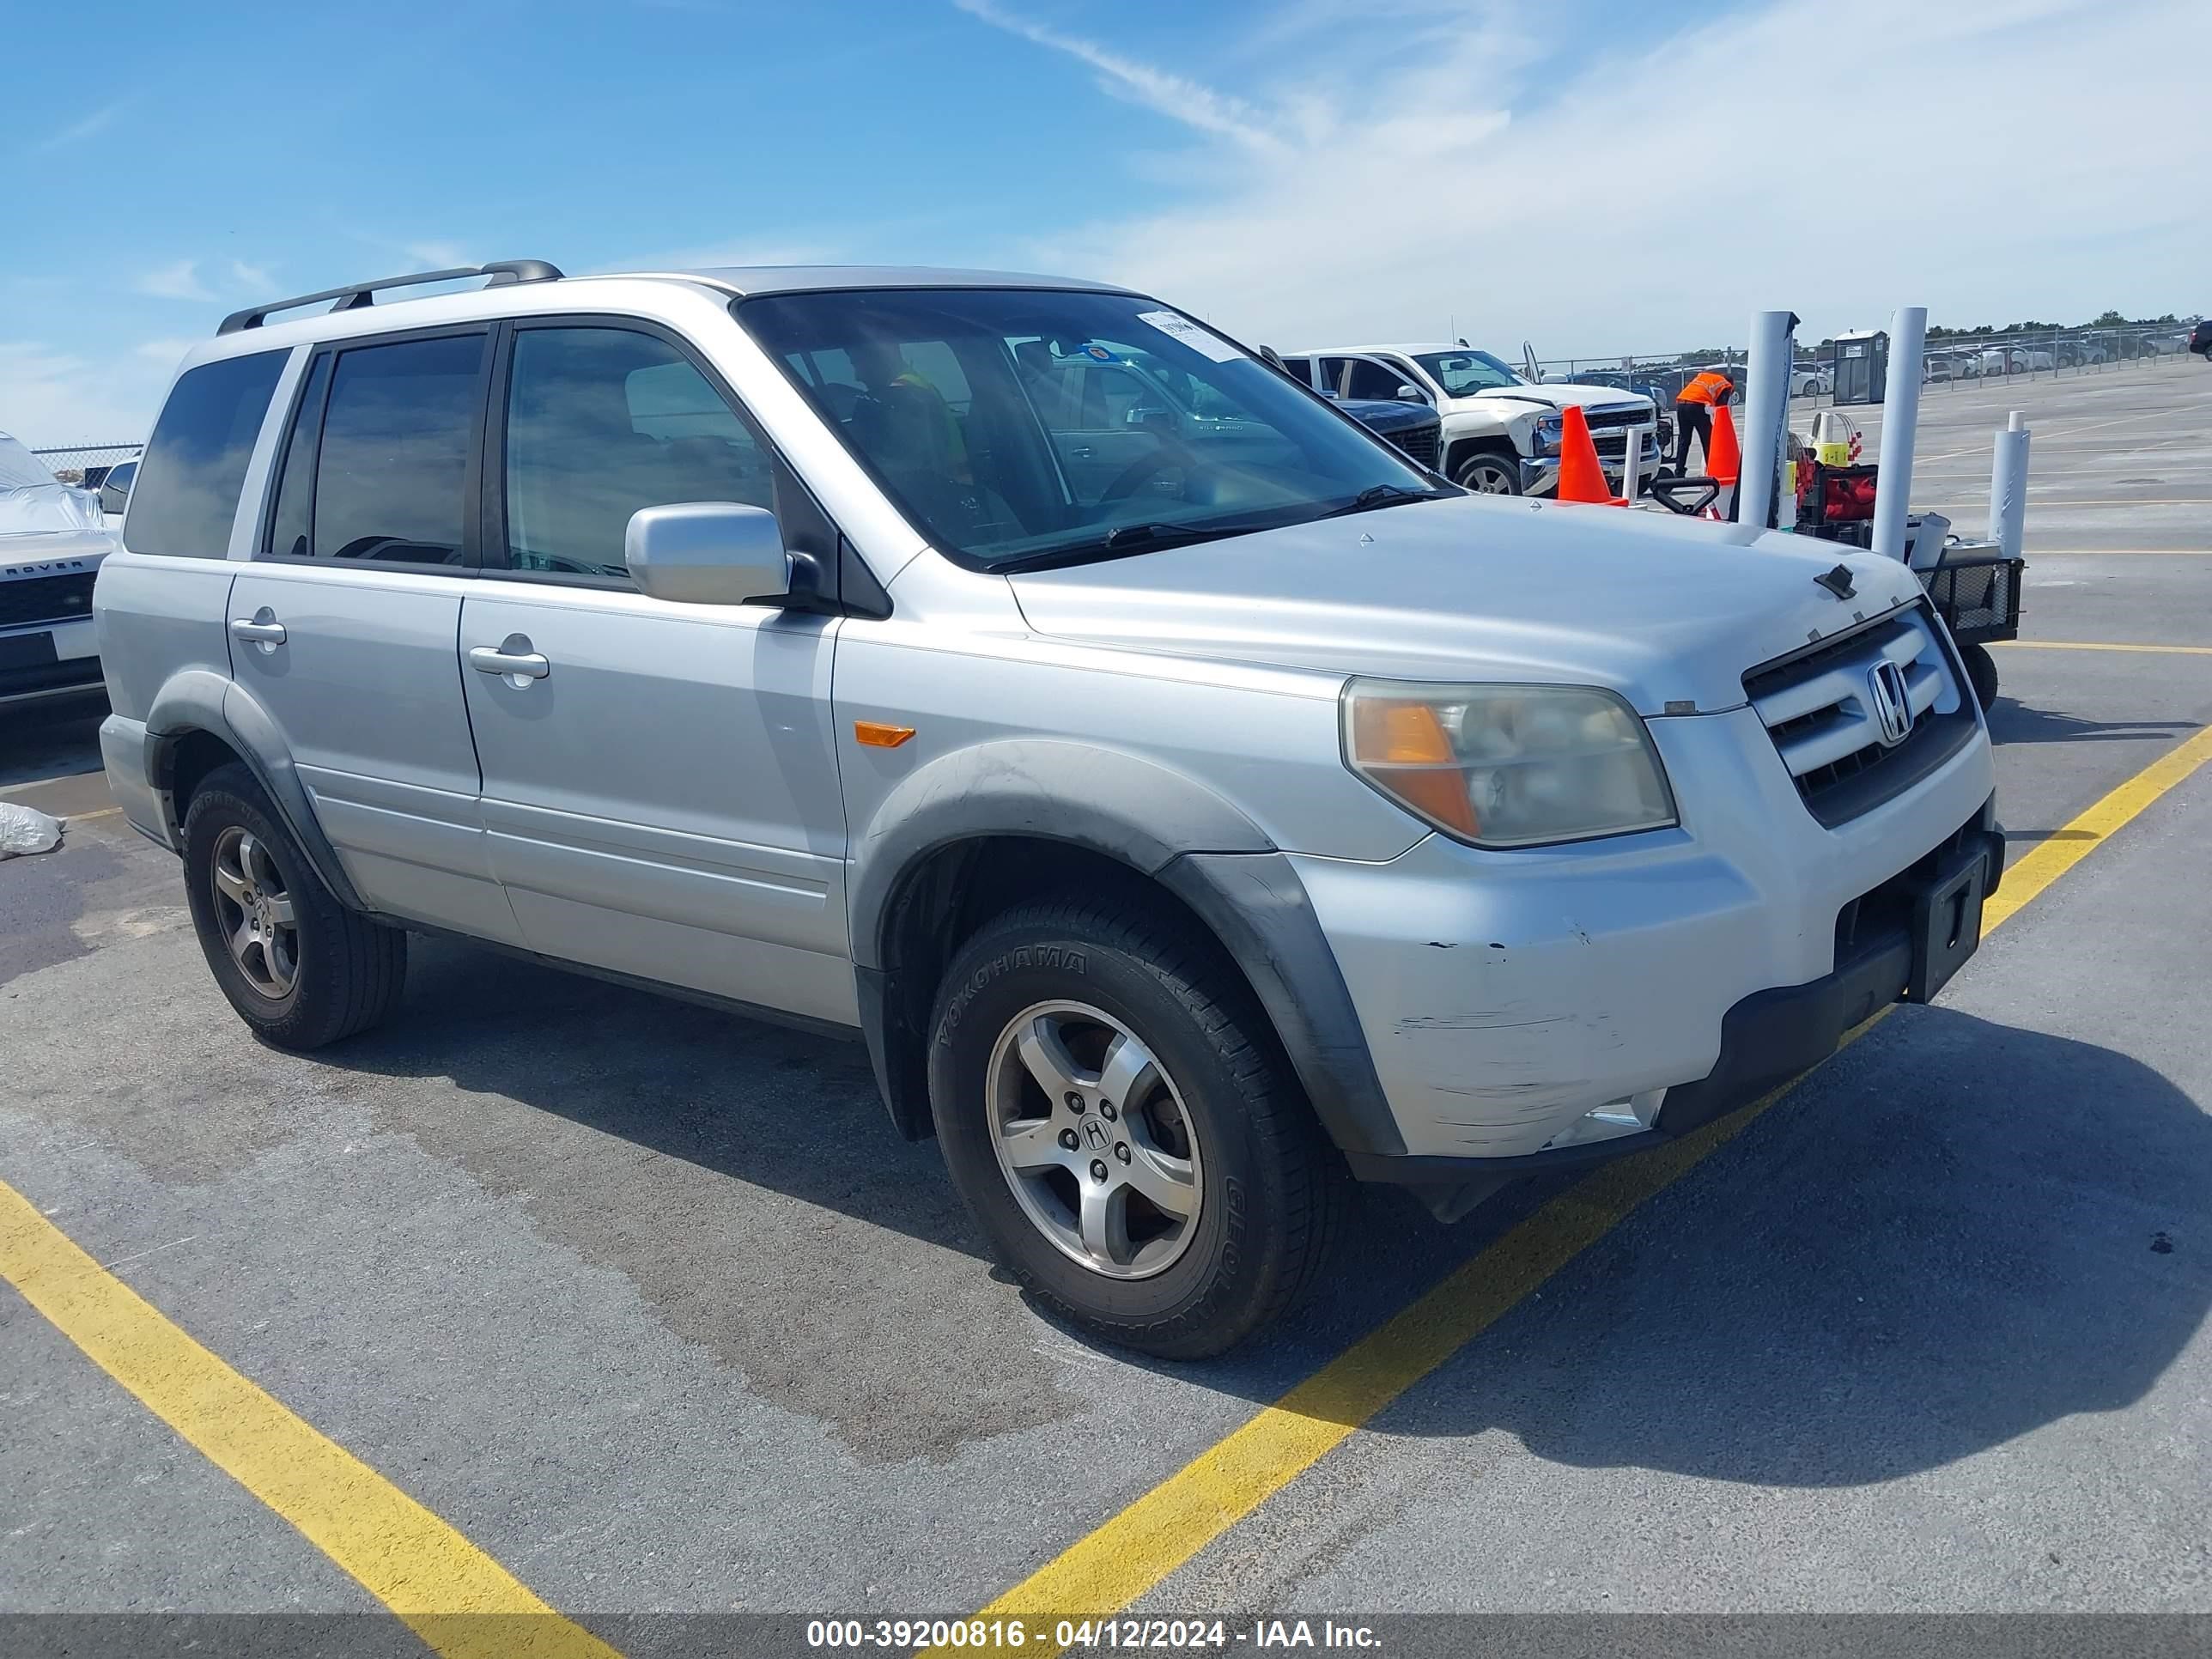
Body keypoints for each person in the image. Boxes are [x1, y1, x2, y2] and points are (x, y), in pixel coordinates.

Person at [1673, 368, 1735, 472]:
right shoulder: (1726, 385)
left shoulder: (1706, 377)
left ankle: (1679, 471)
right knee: (1708, 440)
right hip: (1696, 406)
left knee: (1684, 440)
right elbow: (1721, 408)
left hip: (1681, 404)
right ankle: (1712, 469)